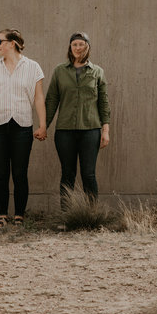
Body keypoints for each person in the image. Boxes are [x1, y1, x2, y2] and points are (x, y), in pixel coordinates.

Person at [0, 29, 47, 227]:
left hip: (22, 126)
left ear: (12, 43)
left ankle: (19, 215)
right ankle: (2, 215)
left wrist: (43, 125)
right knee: (0, 173)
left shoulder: (33, 67)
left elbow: (38, 98)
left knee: (20, 173)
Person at [44, 32, 110, 209]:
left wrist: (105, 130)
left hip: (91, 130)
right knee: (68, 173)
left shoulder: (97, 72)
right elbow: (51, 100)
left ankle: (91, 215)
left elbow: (104, 102)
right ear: (70, 47)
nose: (78, 48)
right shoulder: (60, 71)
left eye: (81, 44)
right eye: (75, 45)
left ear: (87, 47)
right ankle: (66, 215)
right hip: (65, 131)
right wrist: (44, 126)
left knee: (88, 174)